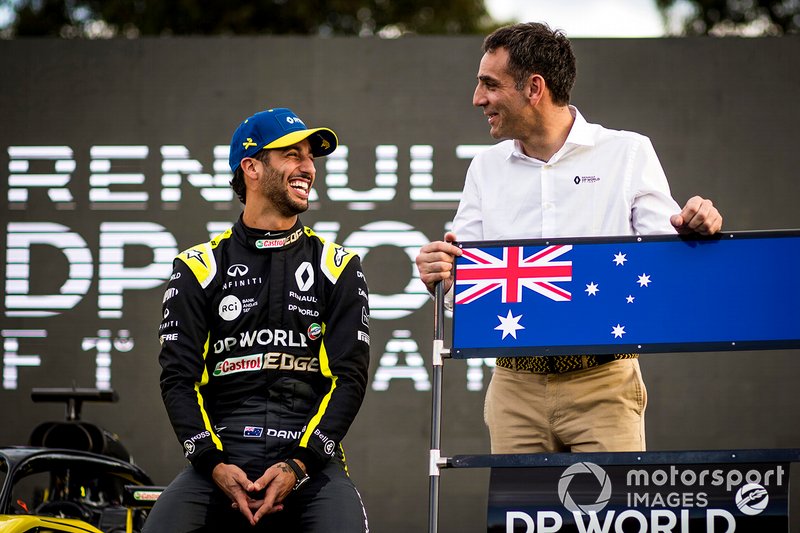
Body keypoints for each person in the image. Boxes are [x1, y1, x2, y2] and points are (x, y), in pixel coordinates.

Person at [415, 23, 723, 455]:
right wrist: (439, 275)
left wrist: (696, 225)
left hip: (604, 383)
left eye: (489, 84)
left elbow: (667, 250)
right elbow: (460, 286)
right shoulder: (484, 168)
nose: (477, 98)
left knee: (611, 523)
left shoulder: (628, 152)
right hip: (512, 387)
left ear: (534, 88)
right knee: (517, 523)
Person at [144, 108, 371, 532]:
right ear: (251, 167)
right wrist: (211, 463)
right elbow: (178, 378)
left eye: (310, 156)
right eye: (291, 154)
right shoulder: (199, 266)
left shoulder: (337, 265)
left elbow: (350, 379)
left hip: (310, 463)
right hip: (220, 458)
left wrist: (298, 465)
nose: (308, 167)